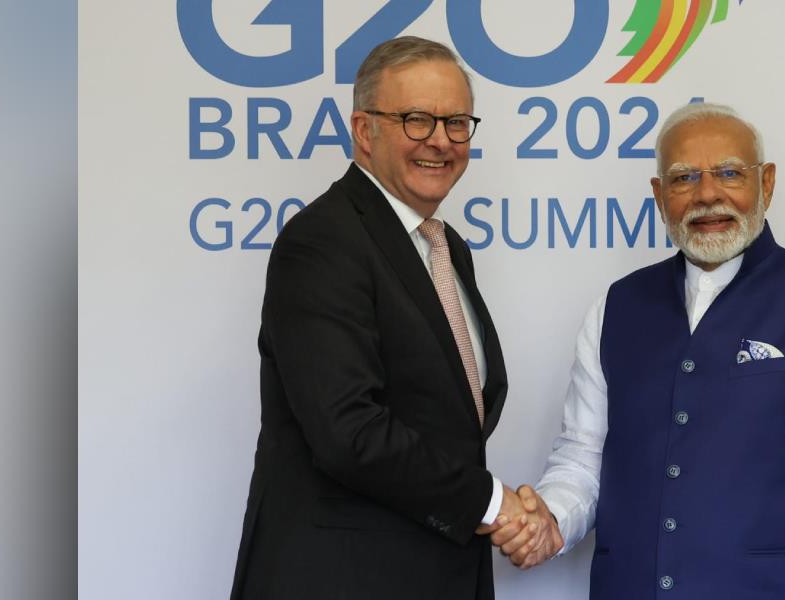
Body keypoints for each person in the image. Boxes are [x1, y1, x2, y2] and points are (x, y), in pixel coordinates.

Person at [490, 102, 785, 598]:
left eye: (730, 173)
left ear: (768, 184)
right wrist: (549, 521)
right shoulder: (615, 309)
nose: (707, 194)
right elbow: (583, 461)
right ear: (658, 195)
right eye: (683, 178)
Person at [229, 36, 547, 600]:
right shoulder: (323, 242)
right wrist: (495, 505)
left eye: (456, 122)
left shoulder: (446, 248)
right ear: (363, 130)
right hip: (342, 579)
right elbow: (348, 432)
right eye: (417, 120)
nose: (441, 142)